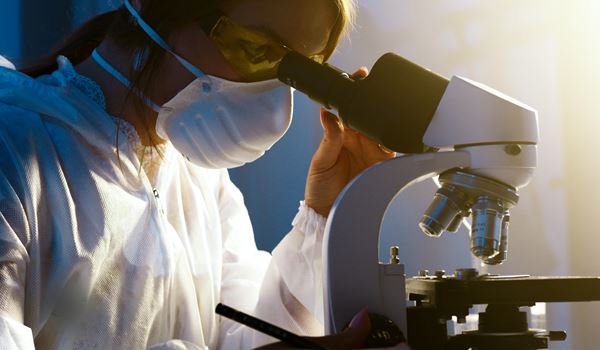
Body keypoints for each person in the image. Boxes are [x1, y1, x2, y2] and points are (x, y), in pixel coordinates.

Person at [0, 0, 404, 348]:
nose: (273, 96)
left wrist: (324, 214)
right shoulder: (15, 151)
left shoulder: (202, 181)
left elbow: (247, 336)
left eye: (297, 71)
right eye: (254, 48)